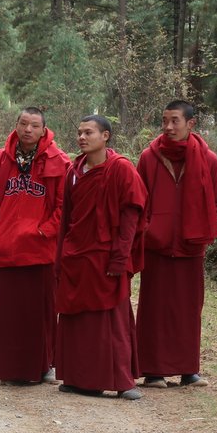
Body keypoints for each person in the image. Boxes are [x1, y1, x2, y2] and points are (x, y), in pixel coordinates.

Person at [55, 115, 147, 401]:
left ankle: (122, 381)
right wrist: (61, 255)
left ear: (105, 136)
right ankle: (77, 378)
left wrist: (120, 259)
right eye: (79, 132)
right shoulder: (73, 170)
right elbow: (67, 219)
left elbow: (131, 217)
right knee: (76, 319)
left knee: (111, 320)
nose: (82, 138)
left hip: (106, 256)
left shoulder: (121, 169)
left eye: (89, 132)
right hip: (77, 254)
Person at [136, 100, 217, 388]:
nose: (168, 127)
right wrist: (149, 230)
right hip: (157, 245)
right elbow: (138, 201)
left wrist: (201, 228)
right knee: (154, 308)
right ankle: (153, 371)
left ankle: (189, 370)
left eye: (175, 121)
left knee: (188, 309)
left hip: (190, 245)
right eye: (165, 121)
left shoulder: (208, 160)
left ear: (190, 124)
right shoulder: (149, 158)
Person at [0, 107, 70, 384]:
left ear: (44, 130)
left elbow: (63, 206)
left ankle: (42, 366)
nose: (28, 130)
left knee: (40, 313)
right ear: (16, 125)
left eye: (34, 126)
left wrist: (44, 231)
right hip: (7, 248)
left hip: (39, 249)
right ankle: (11, 369)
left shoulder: (58, 161)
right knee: (9, 314)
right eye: (23, 124)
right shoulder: (0, 160)